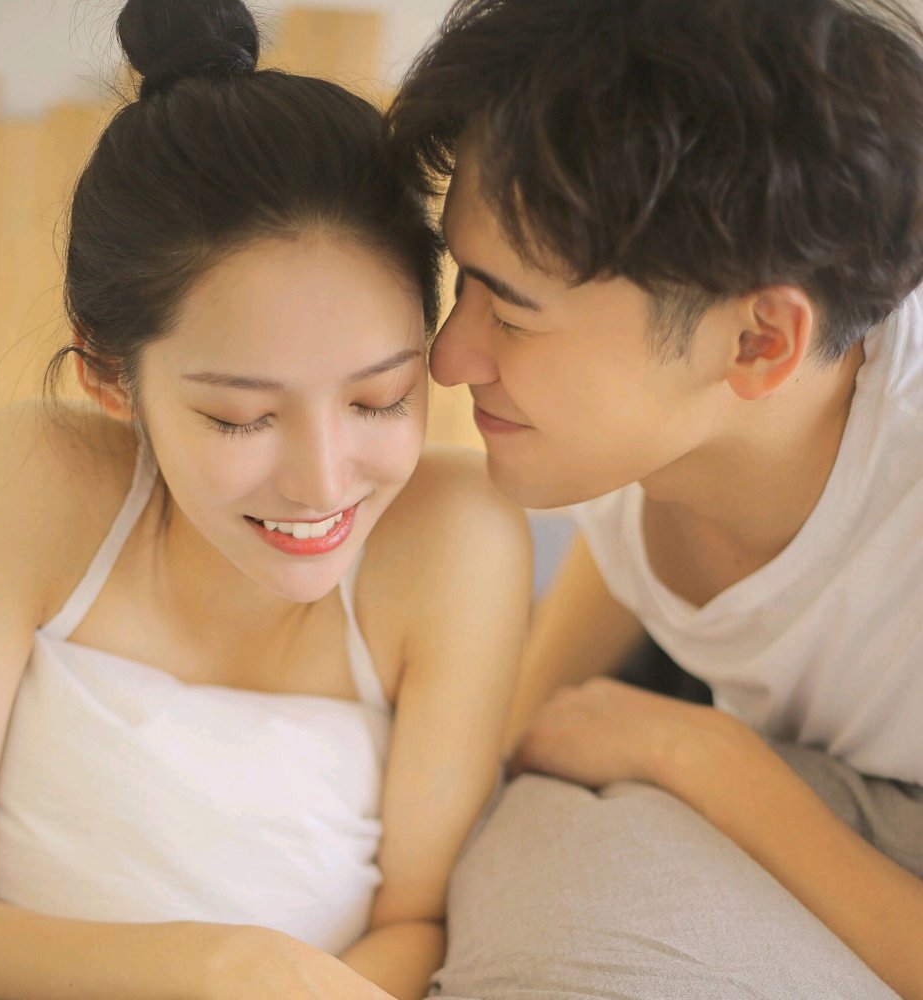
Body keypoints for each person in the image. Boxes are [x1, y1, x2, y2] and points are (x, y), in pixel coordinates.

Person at [0, 2, 532, 998]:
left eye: (379, 398)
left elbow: (421, 925)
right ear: (109, 375)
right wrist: (216, 964)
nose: (323, 484)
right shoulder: (38, 476)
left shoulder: (459, 538)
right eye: (242, 418)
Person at [386, 0, 923, 997]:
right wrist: (497, 751)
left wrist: (703, 757)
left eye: (511, 312)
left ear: (759, 341)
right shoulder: (644, 433)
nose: (448, 359)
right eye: (464, 284)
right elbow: (630, 548)